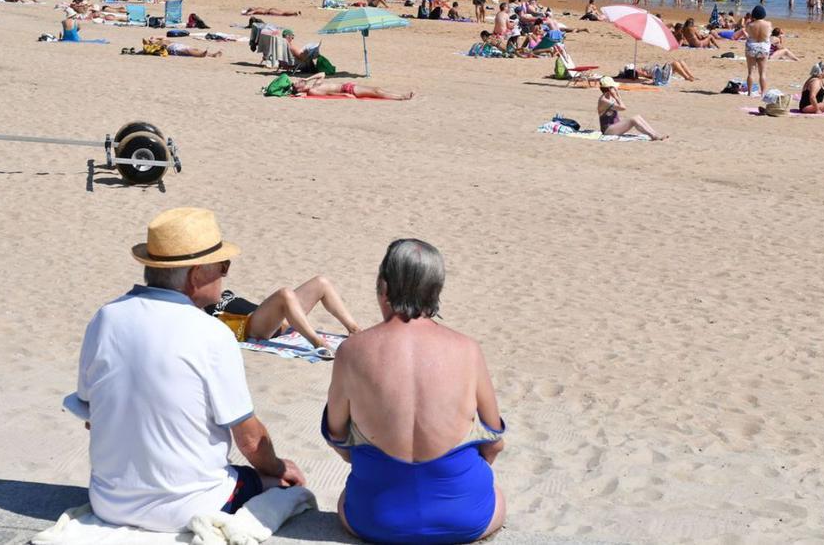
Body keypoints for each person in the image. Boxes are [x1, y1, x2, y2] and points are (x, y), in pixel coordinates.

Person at [77, 207, 307, 532]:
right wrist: (280, 466)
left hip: (110, 502)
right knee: (283, 483)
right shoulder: (211, 333)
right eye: (223, 267)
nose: (226, 274)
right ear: (196, 274)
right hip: (190, 507)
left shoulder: (105, 318)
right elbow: (251, 441)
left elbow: (88, 410)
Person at [324, 239, 506, 544]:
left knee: (348, 498)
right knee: (495, 495)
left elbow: (337, 438)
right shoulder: (467, 350)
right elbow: (494, 442)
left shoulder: (351, 352)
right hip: (465, 518)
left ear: (383, 286)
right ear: (436, 290)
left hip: (375, 518)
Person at [206, 274, 360, 359]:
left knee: (321, 282)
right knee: (285, 294)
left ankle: (354, 329)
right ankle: (318, 344)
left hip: (272, 320)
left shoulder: (223, 293)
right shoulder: (199, 306)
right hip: (249, 327)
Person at [597, 77, 668, 140]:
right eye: (613, 87)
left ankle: (655, 133)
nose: (615, 89)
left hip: (615, 126)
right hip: (608, 130)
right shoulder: (604, 100)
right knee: (633, 119)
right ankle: (653, 135)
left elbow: (621, 106)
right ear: (609, 88)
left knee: (637, 117)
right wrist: (616, 96)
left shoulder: (610, 97)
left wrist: (617, 95)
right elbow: (623, 108)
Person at [291, 73, 414, 100]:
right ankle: (401, 97)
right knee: (377, 91)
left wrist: (307, 78)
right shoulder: (313, 90)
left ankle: (400, 96)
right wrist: (345, 95)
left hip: (349, 86)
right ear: (300, 89)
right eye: (297, 83)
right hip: (348, 89)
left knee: (377, 90)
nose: (298, 81)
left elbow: (322, 74)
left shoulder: (314, 84)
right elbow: (329, 94)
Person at [743, 5, 772, 97]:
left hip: (752, 46)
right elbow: (769, 34)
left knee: (751, 72)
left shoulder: (750, 24)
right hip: (764, 47)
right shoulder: (768, 24)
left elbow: (747, 31)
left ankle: (750, 92)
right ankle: (763, 92)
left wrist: (751, 20)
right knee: (762, 72)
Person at [143, 36, 221, 58]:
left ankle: (212, 55)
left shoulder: (162, 40)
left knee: (194, 49)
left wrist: (155, 37)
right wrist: (150, 43)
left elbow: (163, 36)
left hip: (177, 44)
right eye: (150, 41)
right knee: (187, 51)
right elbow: (151, 50)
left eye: (151, 40)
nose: (151, 40)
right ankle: (200, 55)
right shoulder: (154, 46)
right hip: (172, 48)